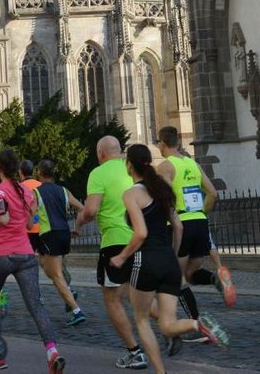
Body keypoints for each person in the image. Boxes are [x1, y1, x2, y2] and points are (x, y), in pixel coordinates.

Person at [113, 144, 229, 374]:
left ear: (129, 165)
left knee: (142, 319)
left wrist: (122, 256)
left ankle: (160, 372)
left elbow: (141, 233)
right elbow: (178, 226)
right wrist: (174, 255)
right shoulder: (162, 192)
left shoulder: (131, 194)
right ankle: (198, 324)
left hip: (146, 260)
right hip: (168, 261)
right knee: (167, 324)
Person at [0, 149, 65, 373]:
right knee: (35, 305)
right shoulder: (27, 192)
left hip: (2, 254)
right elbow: (28, 224)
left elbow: (3, 218)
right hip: (26, 253)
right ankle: (52, 352)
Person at [155, 124, 237, 345]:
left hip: (180, 226)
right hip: (200, 222)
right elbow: (212, 193)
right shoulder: (192, 163)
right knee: (192, 273)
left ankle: (197, 324)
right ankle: (214, 278)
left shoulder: (165, 166)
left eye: (158, 144)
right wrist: (201, 212)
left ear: (163, 144)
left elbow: (165, 198)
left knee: (178, 279)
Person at [75, 135, 146, 370]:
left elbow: (92, 210)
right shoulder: (131, 170)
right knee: (135, 294)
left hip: (115, 242)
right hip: (140, 238)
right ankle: (173, 325)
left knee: (112, 297)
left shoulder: (98, 173)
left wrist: (80, 220)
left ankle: (134, 351)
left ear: (101, 153)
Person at [35, 159, 85, 326]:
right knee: (44, 263)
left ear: (39, 173)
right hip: (64, 233)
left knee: (55, 275)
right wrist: (77, 227)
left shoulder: (37, 192)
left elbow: (28, 213)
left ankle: (76, 310)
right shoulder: (63, 190)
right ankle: (68, 291)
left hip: (50, 234)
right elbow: (82, 209)